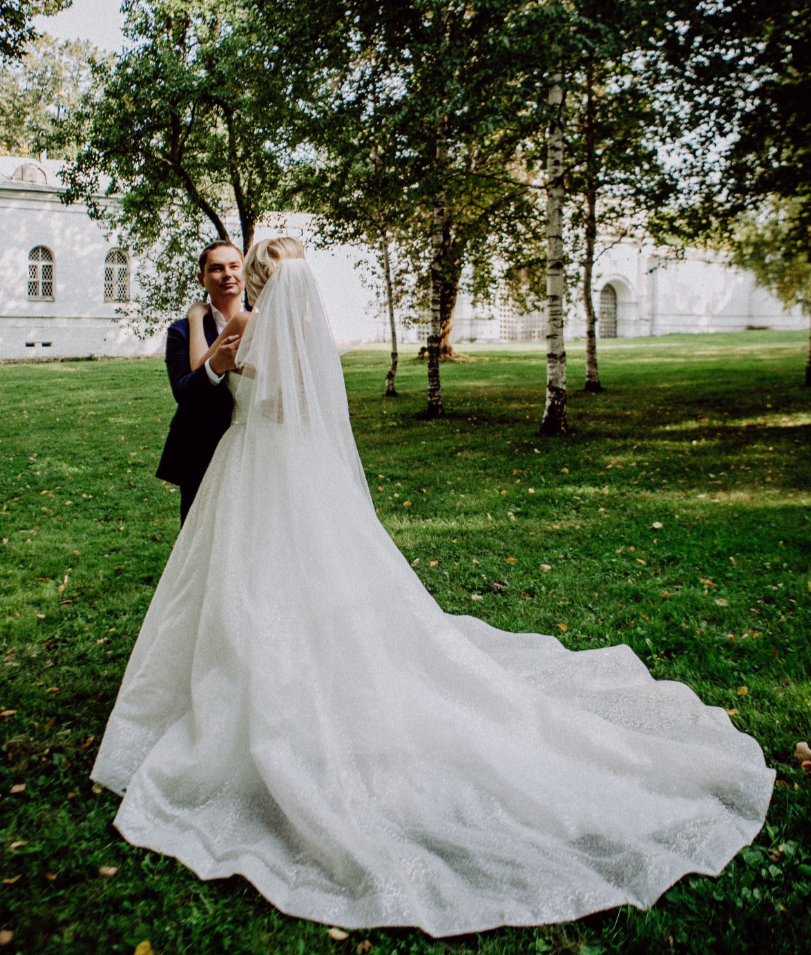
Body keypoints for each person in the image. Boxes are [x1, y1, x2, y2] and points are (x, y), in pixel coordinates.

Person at [94, 237, 773, 939]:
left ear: (259, 281)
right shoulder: (305, 333)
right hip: (297, 468)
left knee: (246, 590)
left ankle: (242, 690)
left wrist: (203, 321)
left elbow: (208, 373)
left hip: (249, 465)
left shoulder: (240, 325)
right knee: (308, 586)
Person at [155, 240, 244, 524]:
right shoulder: (181, 330)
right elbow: (182, 389)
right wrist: (215, 365)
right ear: (202, 279)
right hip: (200, 450)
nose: (227, 274)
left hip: (253, 446)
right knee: (198, 534)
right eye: (216, 268)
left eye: (234, 266)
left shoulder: (264, 318)